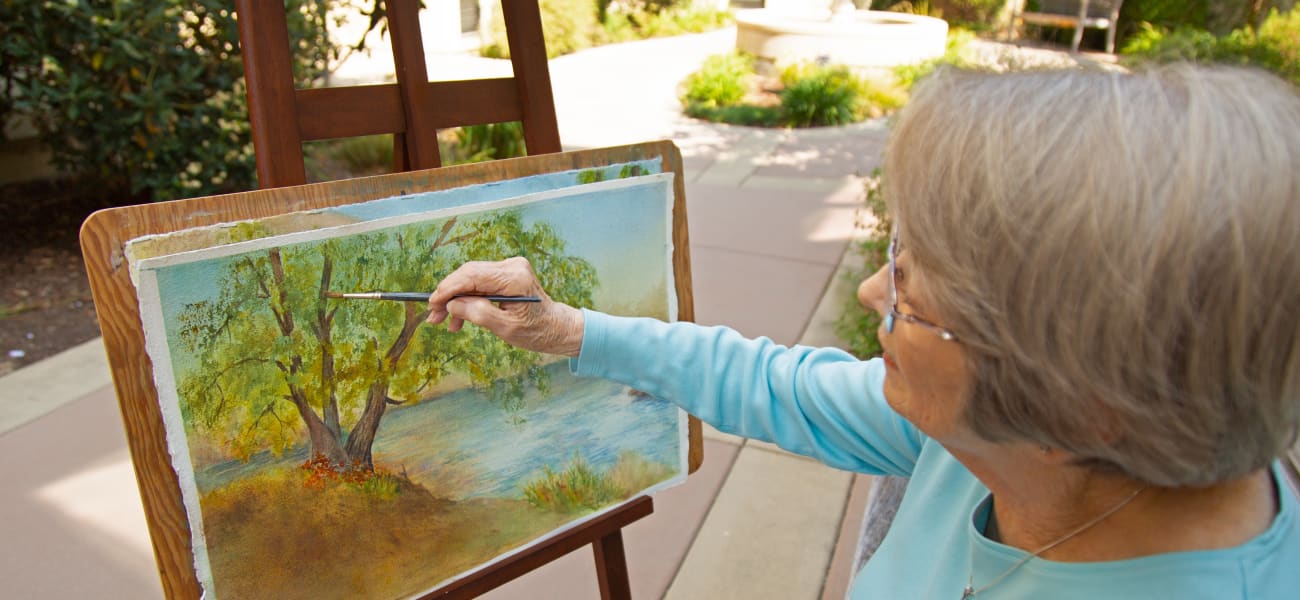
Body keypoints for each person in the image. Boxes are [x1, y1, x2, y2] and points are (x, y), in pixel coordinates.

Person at [426, 64, 1300, 598]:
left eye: (917, 292)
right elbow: (776, 385)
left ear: (1077, 402)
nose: (876, 288)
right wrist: (566, 329)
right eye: (898, 251)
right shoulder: (986, 438)